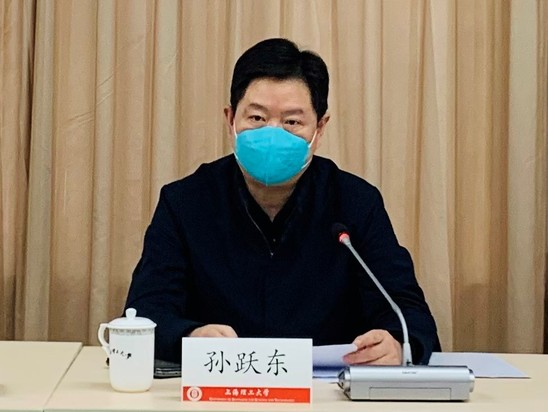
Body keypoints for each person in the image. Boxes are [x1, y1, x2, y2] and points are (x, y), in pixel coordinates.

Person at [125, 38, 440, 365]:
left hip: (325, 388)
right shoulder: (185, 202)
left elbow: (408, 313)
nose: (272, 134)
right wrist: (190, 337)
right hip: (220, 385)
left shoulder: (355, 203)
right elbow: (145, 313)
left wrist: (397, 345)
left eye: (292, 122)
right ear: (230, 119)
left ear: (320, 128)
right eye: (257, 118)